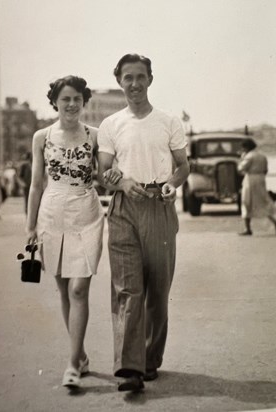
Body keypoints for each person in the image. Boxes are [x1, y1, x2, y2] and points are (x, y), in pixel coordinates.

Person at [97, 53, 190, 392]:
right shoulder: (110, 125)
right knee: (127, 288)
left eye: (140, 77)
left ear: (150, 79)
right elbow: (104, 170)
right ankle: (130, 368)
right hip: (124, 209)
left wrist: (172, 184)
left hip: (159, 206)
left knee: (157, 291)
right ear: (119, 81)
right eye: (127, 78)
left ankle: (149, 360)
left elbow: (183, 166)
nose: (134, 84)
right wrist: (120, 182)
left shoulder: (169, 122)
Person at [25, 75, 120, 388]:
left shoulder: (95, 135)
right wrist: (30, 227)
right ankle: (79, 355)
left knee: (79, 289)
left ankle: (71, 364)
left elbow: (105, 176)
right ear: (55, 102)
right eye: (65, 99)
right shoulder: (42, 136)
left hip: (87, 213)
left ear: (84, 102)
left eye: (76, 99)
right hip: (52, 215)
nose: (71, 104)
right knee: (65, 289)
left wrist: (116, 174)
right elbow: (36, 184)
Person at [238, 138, 276, 236]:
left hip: (250, 179)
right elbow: (265, 170)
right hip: (261, 179)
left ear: (246, 147)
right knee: (262, 202)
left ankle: (247, 228)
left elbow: (241, 168)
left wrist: (241, 158)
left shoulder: (248, 156)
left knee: (246, 201)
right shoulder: (262, 156)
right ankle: (275, 222)